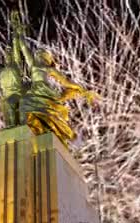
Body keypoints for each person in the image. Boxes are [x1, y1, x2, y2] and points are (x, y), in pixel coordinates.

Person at [13, 16, 96, 146]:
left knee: (35, 119)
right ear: (48, 59)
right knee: (55, 118)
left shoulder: (34, 66)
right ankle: (72, 139)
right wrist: (82, 90)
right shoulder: (48, 69)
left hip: (33, 97)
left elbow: (25, 51)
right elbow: (66, 83)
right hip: (46, 97)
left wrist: (18, 35)